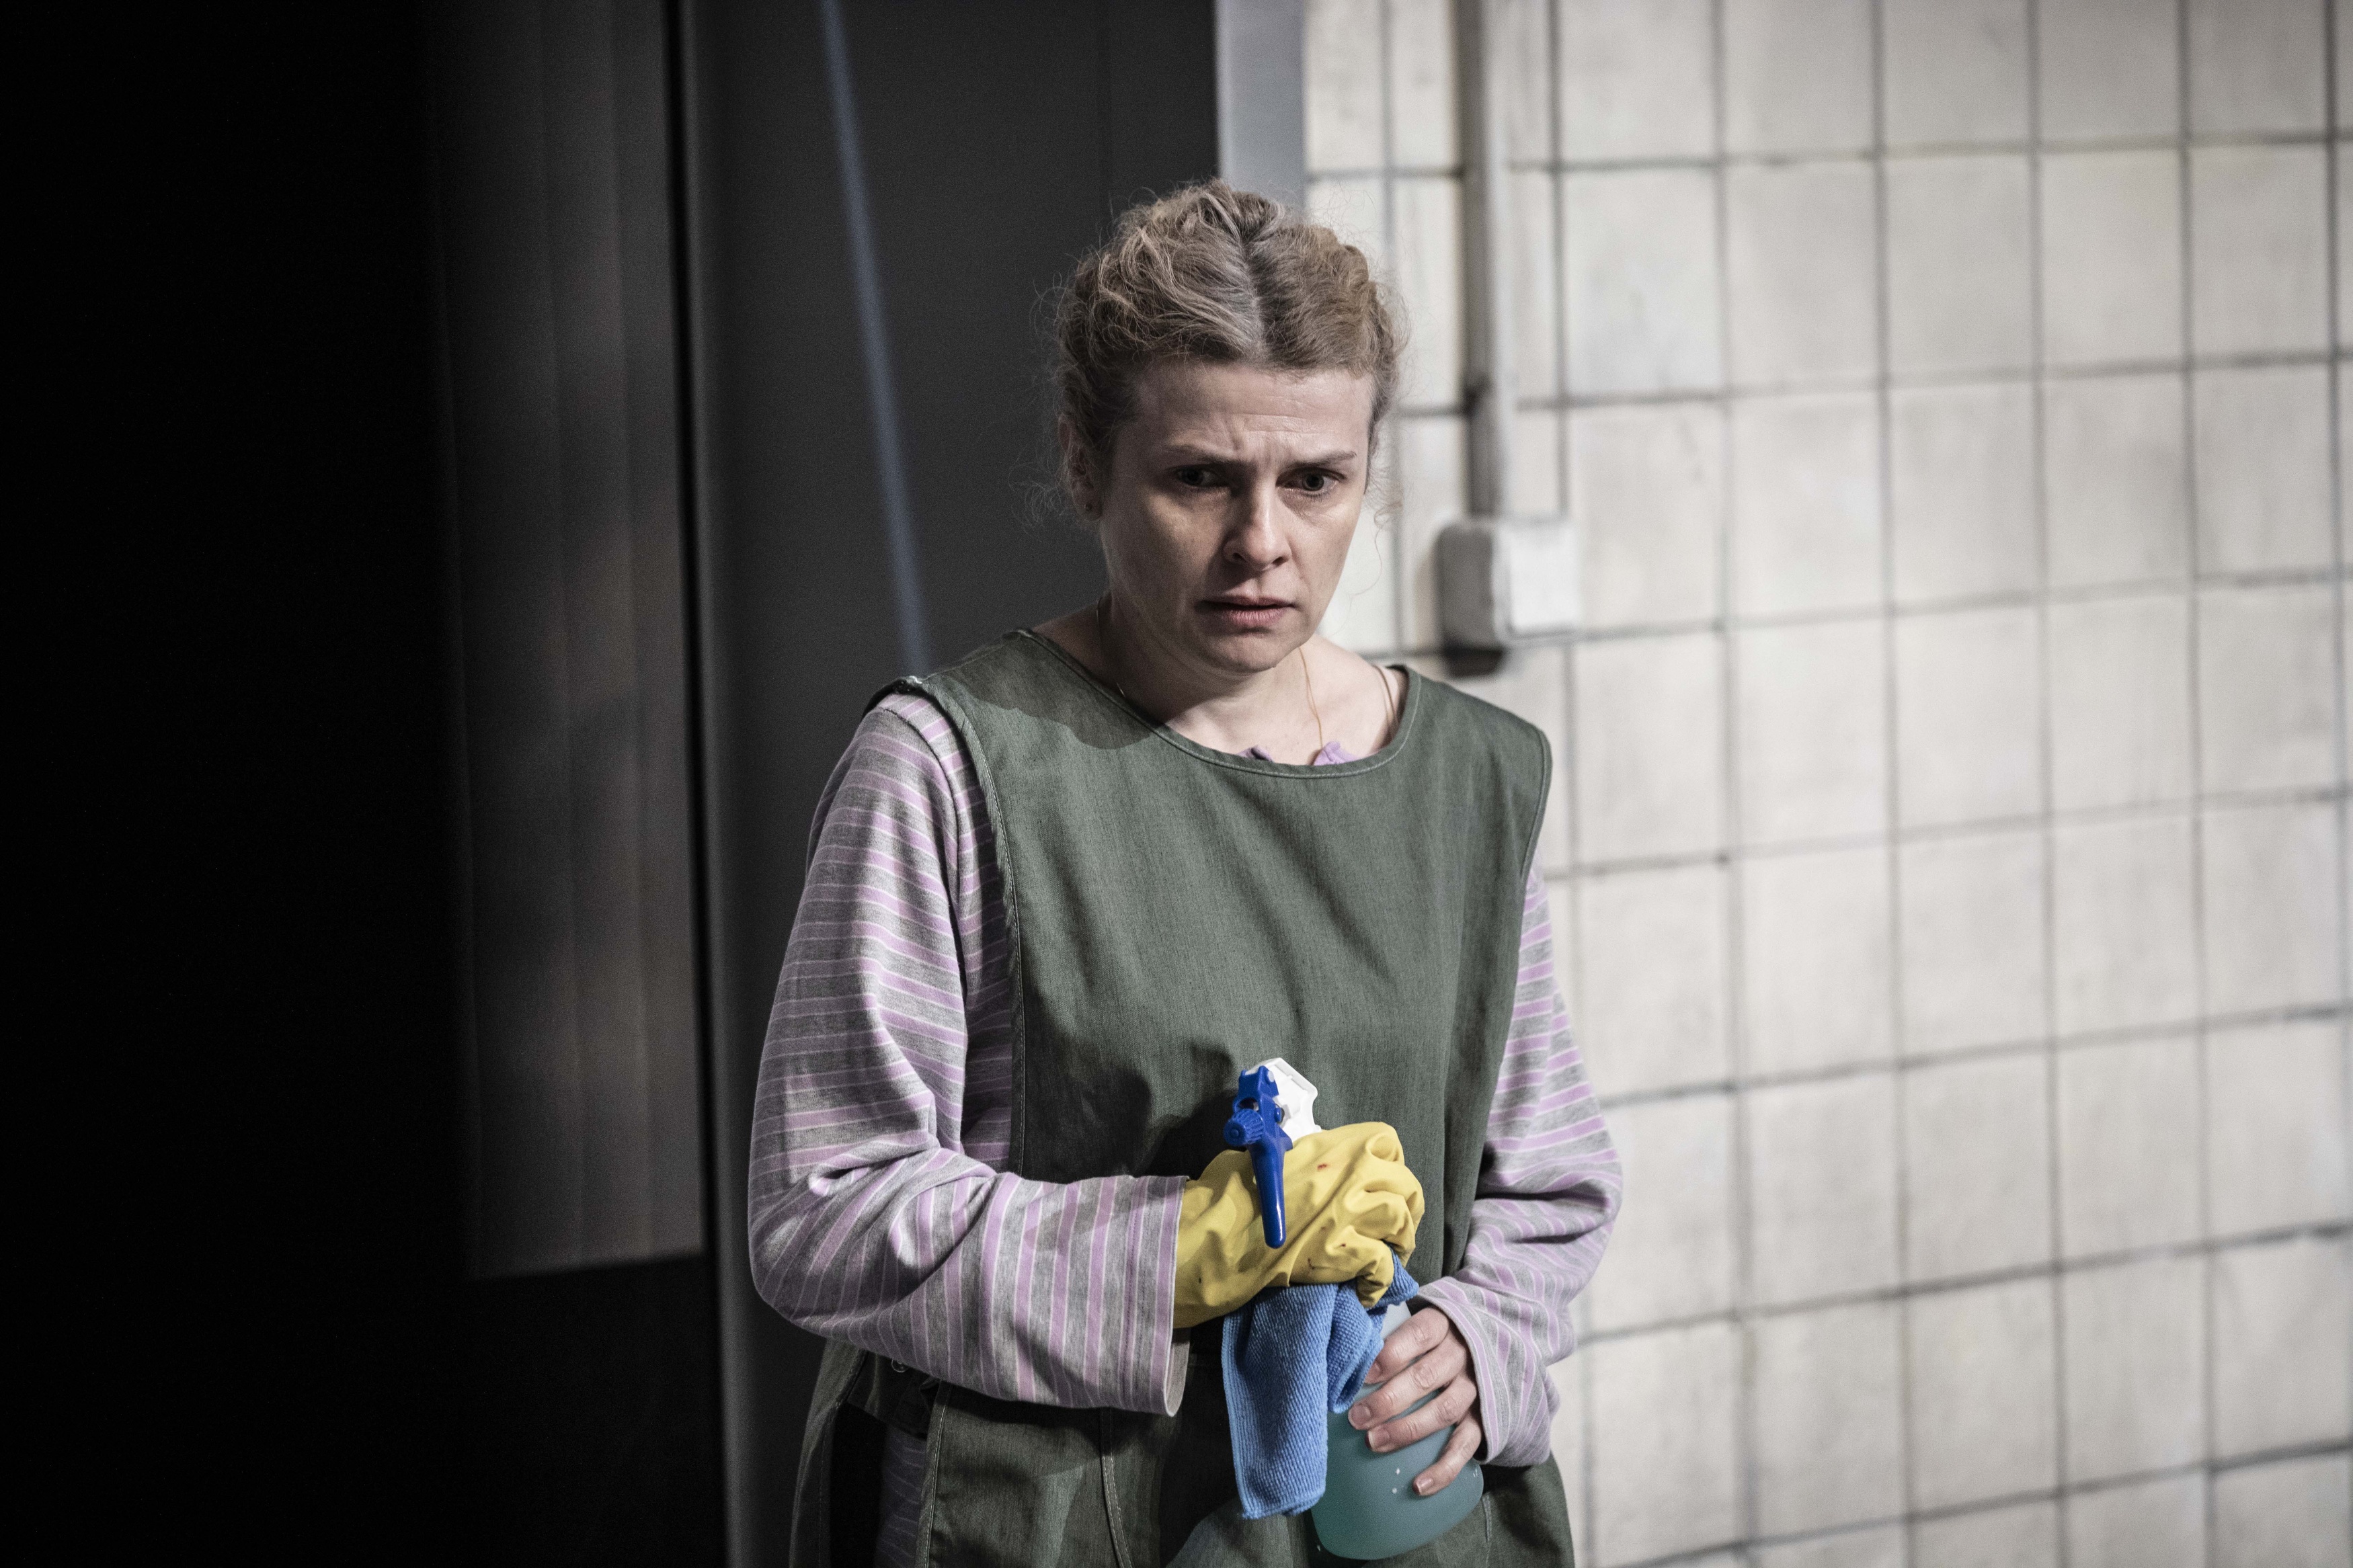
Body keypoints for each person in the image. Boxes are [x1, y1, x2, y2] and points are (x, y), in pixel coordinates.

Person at [748, 181, 1620, 1567]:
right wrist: (1181, 1250)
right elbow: (826, 1205)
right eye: (1201, 477)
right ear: (1085, 464)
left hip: (1391, 1519)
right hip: (1056, 1522)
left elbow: (1549, 1184)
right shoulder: (952, 767)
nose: (1262, 541)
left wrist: (1481, 1335)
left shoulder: (1467, 784)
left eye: (1314, 481)